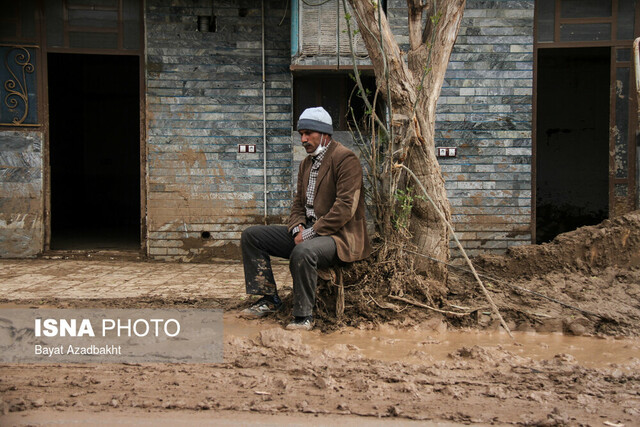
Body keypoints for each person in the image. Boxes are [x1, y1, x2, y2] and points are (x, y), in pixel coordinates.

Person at [240, 106, 371, 330]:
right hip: (310, 230)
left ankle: (303, 316)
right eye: (301, 134)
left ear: (324, 134)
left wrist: (310, 233)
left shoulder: (345, 159)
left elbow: (345, 208)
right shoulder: (306, 164)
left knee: (303, 251)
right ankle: (268, 299)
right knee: (252, 236)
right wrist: (296, 228)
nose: (303, 139)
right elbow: (298, 203)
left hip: (339, 236)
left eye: (308, 133)